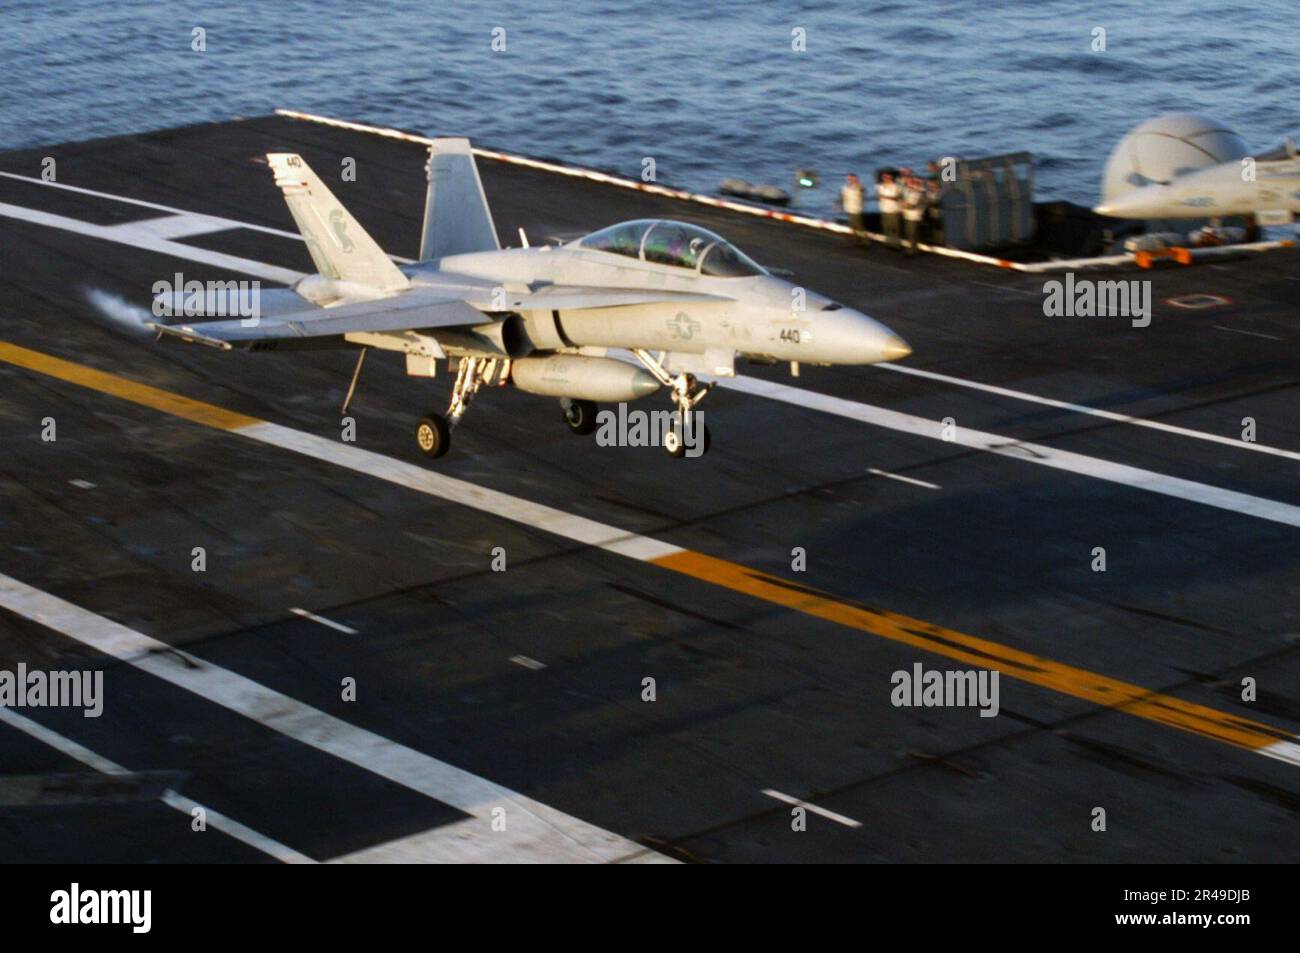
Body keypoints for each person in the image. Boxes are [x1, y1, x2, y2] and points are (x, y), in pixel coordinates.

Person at [839, 173, 868, 245]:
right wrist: (840, 205)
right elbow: (843, 197)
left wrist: (858, 184)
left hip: (856, 209)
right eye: (849, 179)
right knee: (852, 224)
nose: (850, 180)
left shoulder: (859, 187)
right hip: (848, 208)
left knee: (858, 225)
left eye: (852, 178)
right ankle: (856, 239)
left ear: (855, 179)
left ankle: (865, 240)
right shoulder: (845, 188)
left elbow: (863, 193)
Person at [901, 174, 926, 255]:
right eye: (909, 183)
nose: (910, 184)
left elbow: (918, 205)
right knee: (910, 233)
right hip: (907, 214)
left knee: (912, 233)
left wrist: (908, 205)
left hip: (914, 215)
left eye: (912, 183)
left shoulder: (919, 193)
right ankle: (914, 249)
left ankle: (911, 251)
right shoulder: (908, 192)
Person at [876, 171, 901, 248]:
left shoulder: (896, 186)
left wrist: (885, 197)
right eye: (884, 177)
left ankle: (896, 244)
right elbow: (878, 197)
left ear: (891, 177)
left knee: (893, 228)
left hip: (892, 210)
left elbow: (898, 198)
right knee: (886, 227)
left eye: (887, 177)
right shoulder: (880, 186)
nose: (885, 179)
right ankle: (888, 243)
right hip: (884, 209)